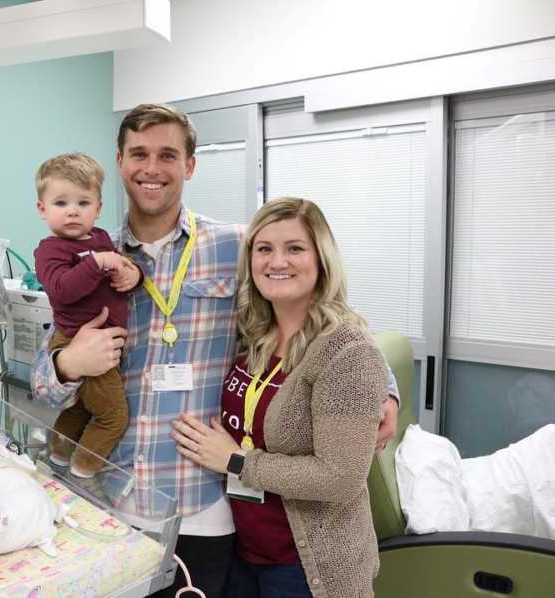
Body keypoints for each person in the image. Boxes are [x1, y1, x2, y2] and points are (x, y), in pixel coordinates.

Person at [31, 104, 400, 597]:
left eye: (168, 154)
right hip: (111, 496)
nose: (152, 168)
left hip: (203, 504)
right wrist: (69, 364)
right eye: (139, 154)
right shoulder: (89, 255)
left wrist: (387, 393)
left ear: (189, 165)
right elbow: (41, 380)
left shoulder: (238, 246)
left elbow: (324, 321)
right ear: (119, 161)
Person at [172, 198, 387, 597]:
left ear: (321, 259)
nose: (277, 261)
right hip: (245, 554)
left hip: (309, 567)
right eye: (264, 248)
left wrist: (234, 460)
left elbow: (340, 478)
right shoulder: (251, 335)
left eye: (295, 248)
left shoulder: (345, 350)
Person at [33, 152, 141, 479]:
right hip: (77, 339)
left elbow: (119, 266)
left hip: (106, 339)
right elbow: (63, 289)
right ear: (42, 208)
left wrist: (132, 274)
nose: (72, 211)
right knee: (112, 417)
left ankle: (59, 455)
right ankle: (83, 475)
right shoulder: (49, 250)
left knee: (80, 407)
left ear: (98, 207)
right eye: (61, 202)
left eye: (83, 202)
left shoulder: (102, 240)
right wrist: (98, 264)